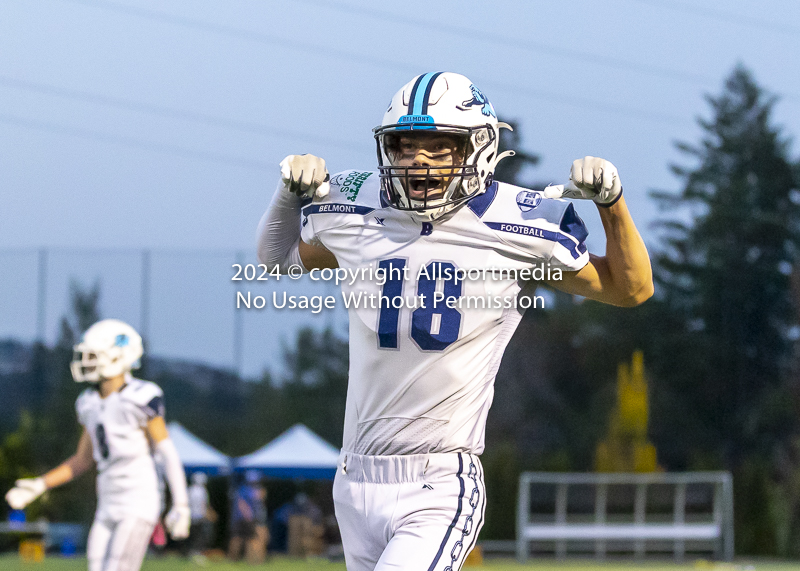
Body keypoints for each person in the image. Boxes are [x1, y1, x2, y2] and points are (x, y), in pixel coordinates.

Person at [256, 72, 653, 571]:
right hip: (353, 478)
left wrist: (612, 203)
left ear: (478, 150)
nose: (418, 161)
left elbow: (631, 288)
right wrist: (288, 193)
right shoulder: (356, 210)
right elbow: (276, 258)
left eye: (439, 147)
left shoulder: (519, 222)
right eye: (404, 146)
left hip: (438, 481)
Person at [5, 319, 191, 571]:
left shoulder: (140, 396)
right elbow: (82, 459)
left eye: (94, 355)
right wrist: (40, 484)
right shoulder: (88, 402)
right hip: (108, 499)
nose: (87, 361)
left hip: (138, 499)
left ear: (119, 356)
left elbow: (166, 451)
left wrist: (180, 503)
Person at [187, 472, 216, 560]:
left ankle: (190, 552)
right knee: (200, 536)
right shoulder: (203, 491)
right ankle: (197, 553)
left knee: (192, 535)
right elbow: (204, 505)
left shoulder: (189, 490)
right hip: (200, 516)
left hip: (191, 516)